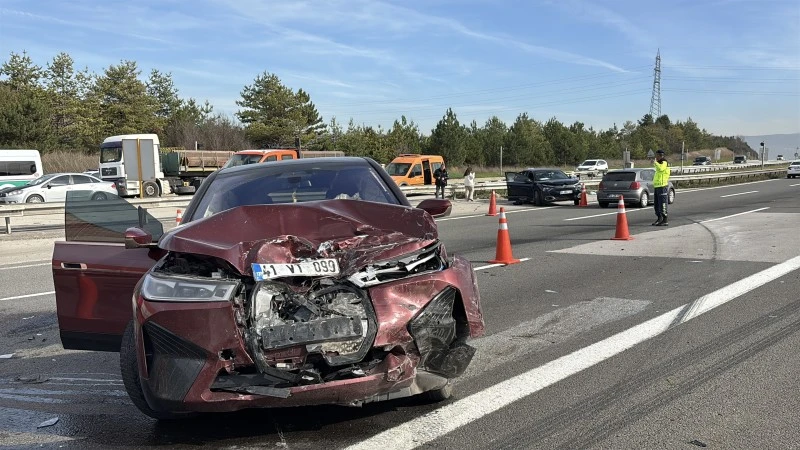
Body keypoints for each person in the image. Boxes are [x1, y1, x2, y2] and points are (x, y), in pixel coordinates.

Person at [652, 149, 670, 226]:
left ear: (660, 156)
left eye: (657, 155)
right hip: (657, 186)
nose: (656, 157)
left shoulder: (664, 162)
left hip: (662, 186)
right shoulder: (659, 163)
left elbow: (661, 168)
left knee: (662, 203)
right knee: (656, 204)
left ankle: (665, 219)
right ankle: (659, 218)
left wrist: (655, 163)